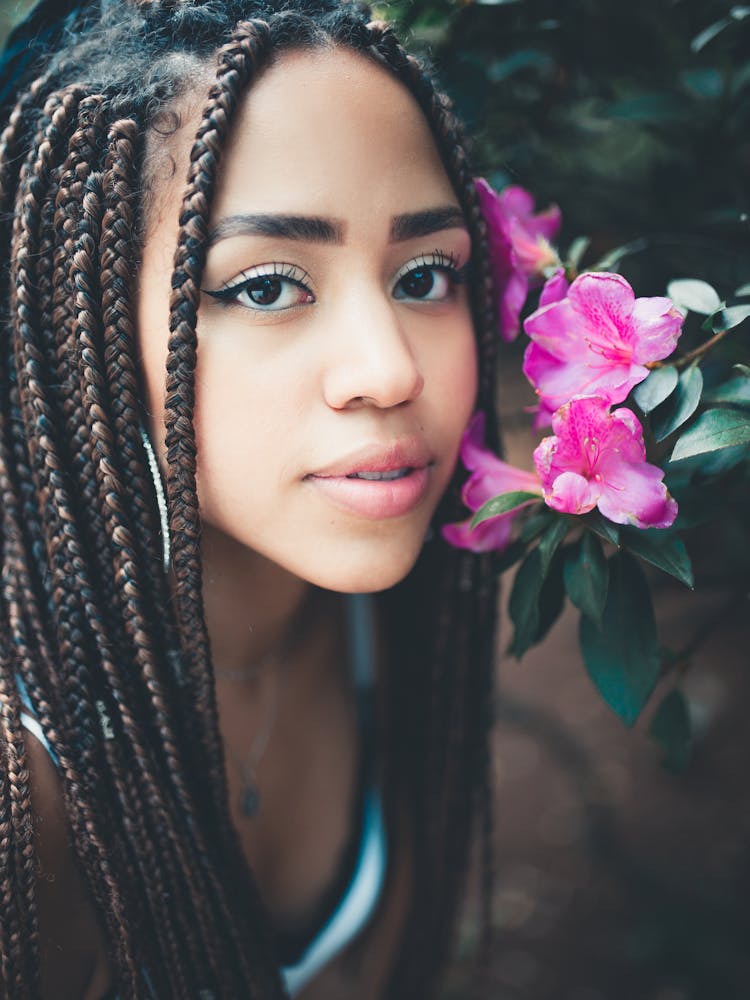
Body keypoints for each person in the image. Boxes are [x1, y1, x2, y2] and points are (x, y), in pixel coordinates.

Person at [0, 1, 500, 997]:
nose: (388, 370)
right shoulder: (25, 790)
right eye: (267, 286)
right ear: (75, 335)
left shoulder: (386, 613)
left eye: (425, 273)